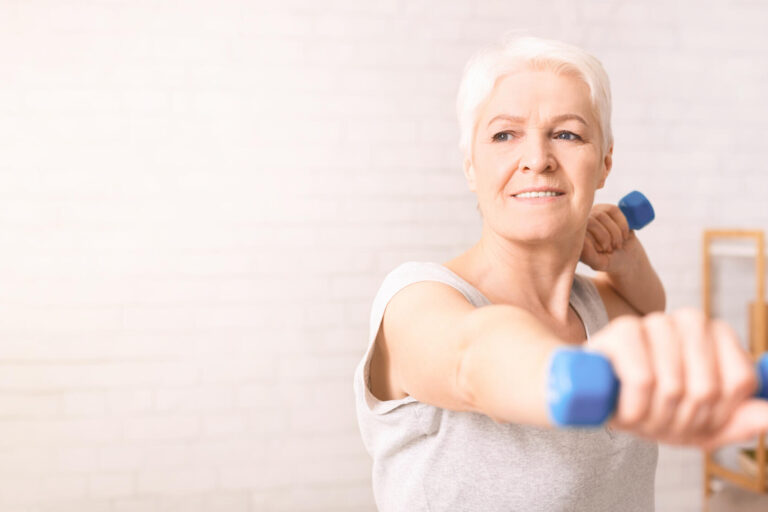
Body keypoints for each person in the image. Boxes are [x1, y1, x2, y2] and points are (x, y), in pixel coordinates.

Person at [352, 34, 768, 511]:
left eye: (567, 134)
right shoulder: (416, 302)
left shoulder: (603, 306)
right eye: (504, 134)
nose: (538, 159)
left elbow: (650, 307)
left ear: (605, 161)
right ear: (471, 165)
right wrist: (582, 377)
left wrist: (624, 257)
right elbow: (473, 359)